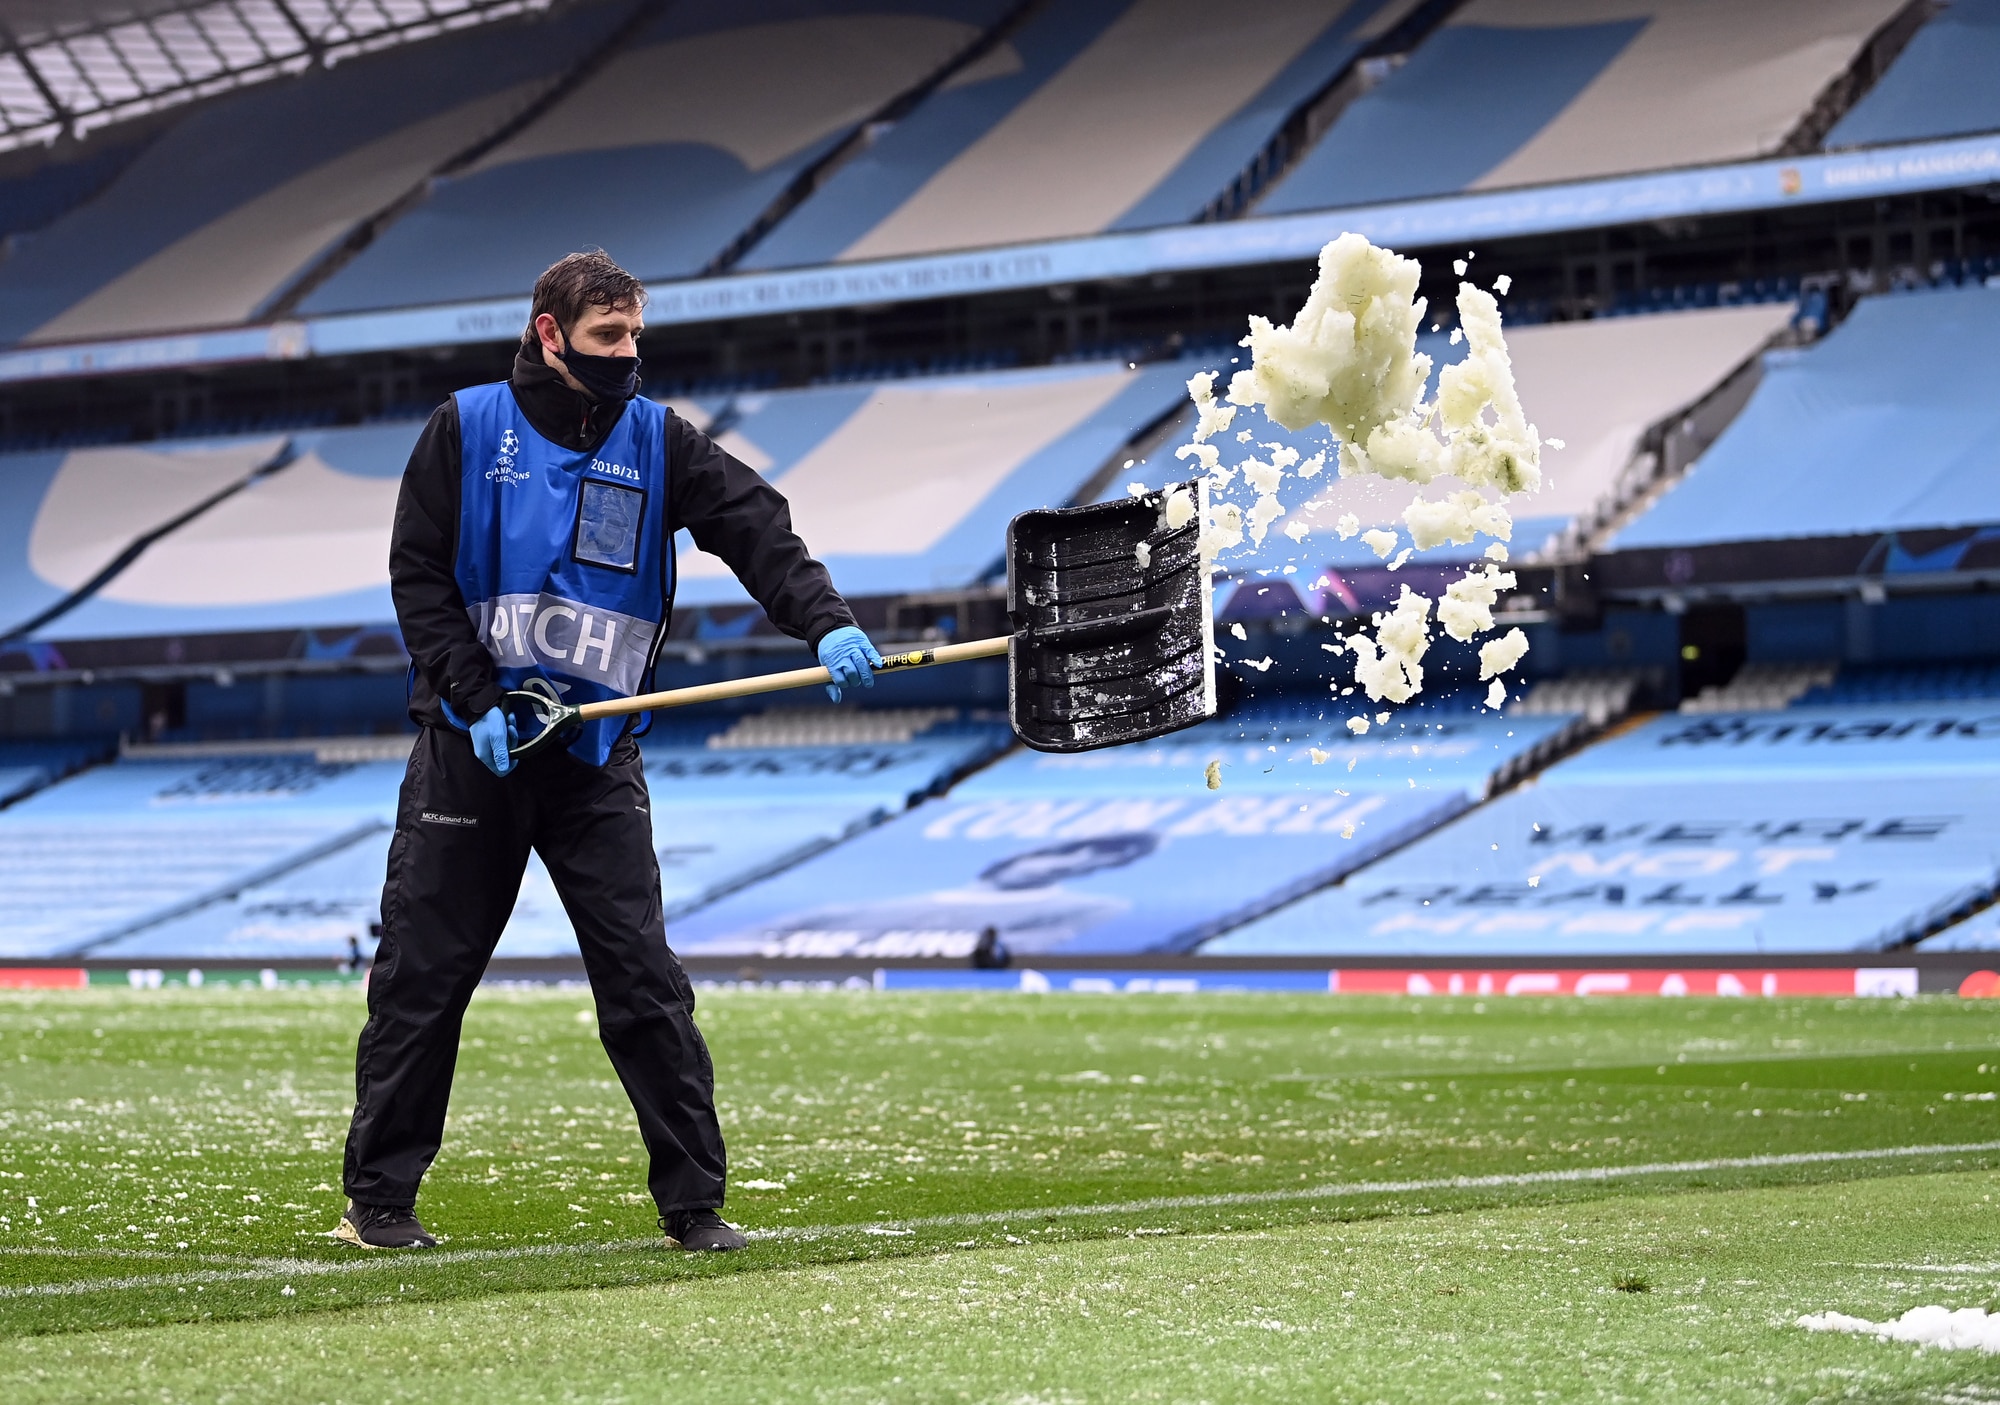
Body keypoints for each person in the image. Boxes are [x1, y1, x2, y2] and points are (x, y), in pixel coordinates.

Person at [335, 251, 883, 1252]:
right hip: (474, 753)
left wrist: (826, 621)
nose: (628, 352)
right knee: (422, 979)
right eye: (607, 335)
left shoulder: (660, 439)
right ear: (549, 332)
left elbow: (755, 527)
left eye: (634, 334)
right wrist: (475, 698)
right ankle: (378, 1201)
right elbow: (418, 578)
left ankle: (694, 1204)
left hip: (595, 759)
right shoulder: (463, 428)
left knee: (643, 982)